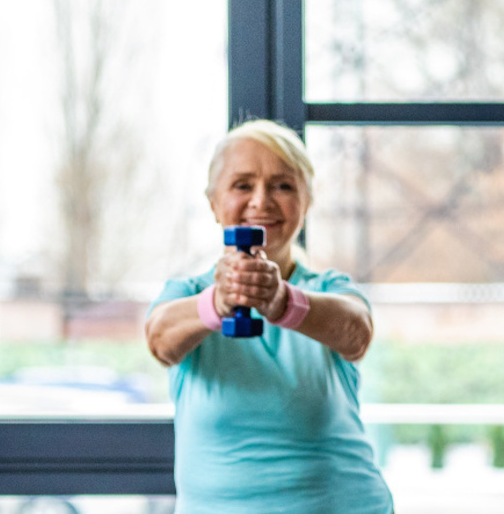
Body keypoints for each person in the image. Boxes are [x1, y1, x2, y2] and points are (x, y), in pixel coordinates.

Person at [144, 119, 394, 513]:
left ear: (306, 202)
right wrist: (219, 301)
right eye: (242, 185)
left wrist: (282, 301)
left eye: (283, 185)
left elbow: (356, 331)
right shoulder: (188, 295)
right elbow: (160, 339)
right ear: (213, 203)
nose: (261, 200)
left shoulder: (328, 288)